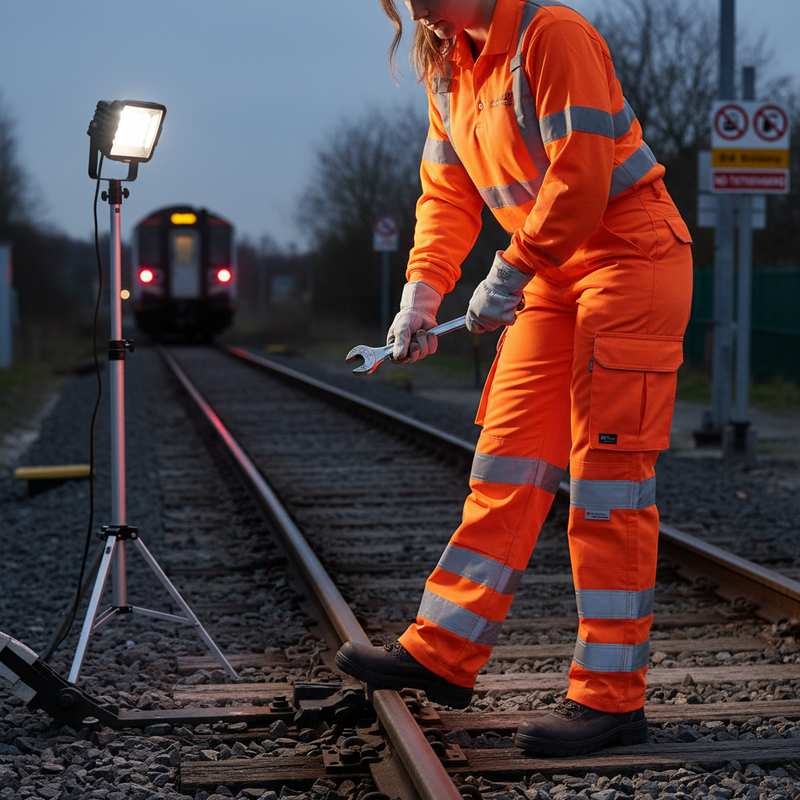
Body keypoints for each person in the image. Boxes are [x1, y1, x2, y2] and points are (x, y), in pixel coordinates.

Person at [335, 0, 693, 756]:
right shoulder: (449, 65)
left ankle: (611, 700)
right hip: (550, 273)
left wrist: (506, 275)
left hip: (631, 257)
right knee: (505, 465)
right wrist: (421, 293)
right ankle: (442, 652)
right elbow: (448, 194)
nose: (415, 10)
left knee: (607, 487)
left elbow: (583, 176)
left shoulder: (551, 35)